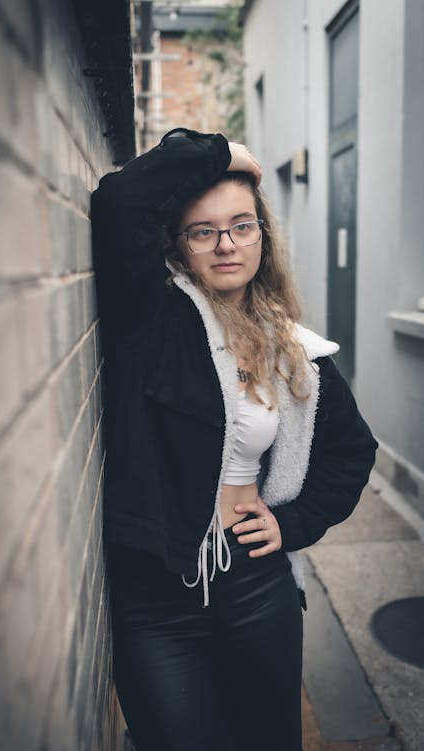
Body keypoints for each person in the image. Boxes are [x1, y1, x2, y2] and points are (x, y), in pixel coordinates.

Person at [91, 127, 378, 751]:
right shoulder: (153, 320)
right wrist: (224, 155)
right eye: (204, 230)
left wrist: (292, 523)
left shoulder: (295, 351)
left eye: (243, 226)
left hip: (255, 585)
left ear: (262, 236)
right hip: (159, 595)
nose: (227, 245)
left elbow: (353, 452)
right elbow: (119, 201)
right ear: (177, 243)